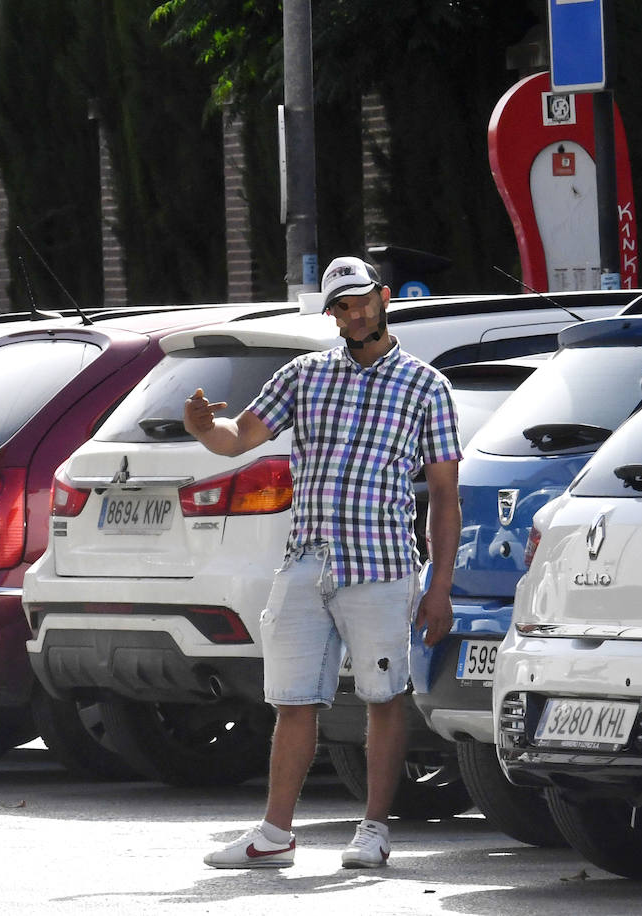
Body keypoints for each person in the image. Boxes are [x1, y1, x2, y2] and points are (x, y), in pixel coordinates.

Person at [189, 256, 461, 870]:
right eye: (340, 305)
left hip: (383, 562)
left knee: (382, 696)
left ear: (384, 297)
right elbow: (238, 438)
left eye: (362, 299)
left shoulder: (425, 386)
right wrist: (204, 430)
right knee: (292, 700)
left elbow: (445, 494)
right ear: (331, 313)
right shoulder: (304, 376)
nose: (354, 312)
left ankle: (373, 828)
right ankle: (276, 835)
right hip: (308, 559)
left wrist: (439, 586)